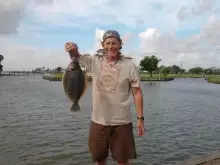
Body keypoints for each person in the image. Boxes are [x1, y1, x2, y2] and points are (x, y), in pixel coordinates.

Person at [65, 30, 144, 165]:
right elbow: (76, 56)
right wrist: (73, 48)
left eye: (114, 43)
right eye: (107, 43)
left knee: (123, 160)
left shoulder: (129, 65)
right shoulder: (94, 61)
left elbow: (137, 93)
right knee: (100, 159)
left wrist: (140, 119)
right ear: (103, 45)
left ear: (120, 44)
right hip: (98, 121)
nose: (111, 46)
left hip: (122, 122)